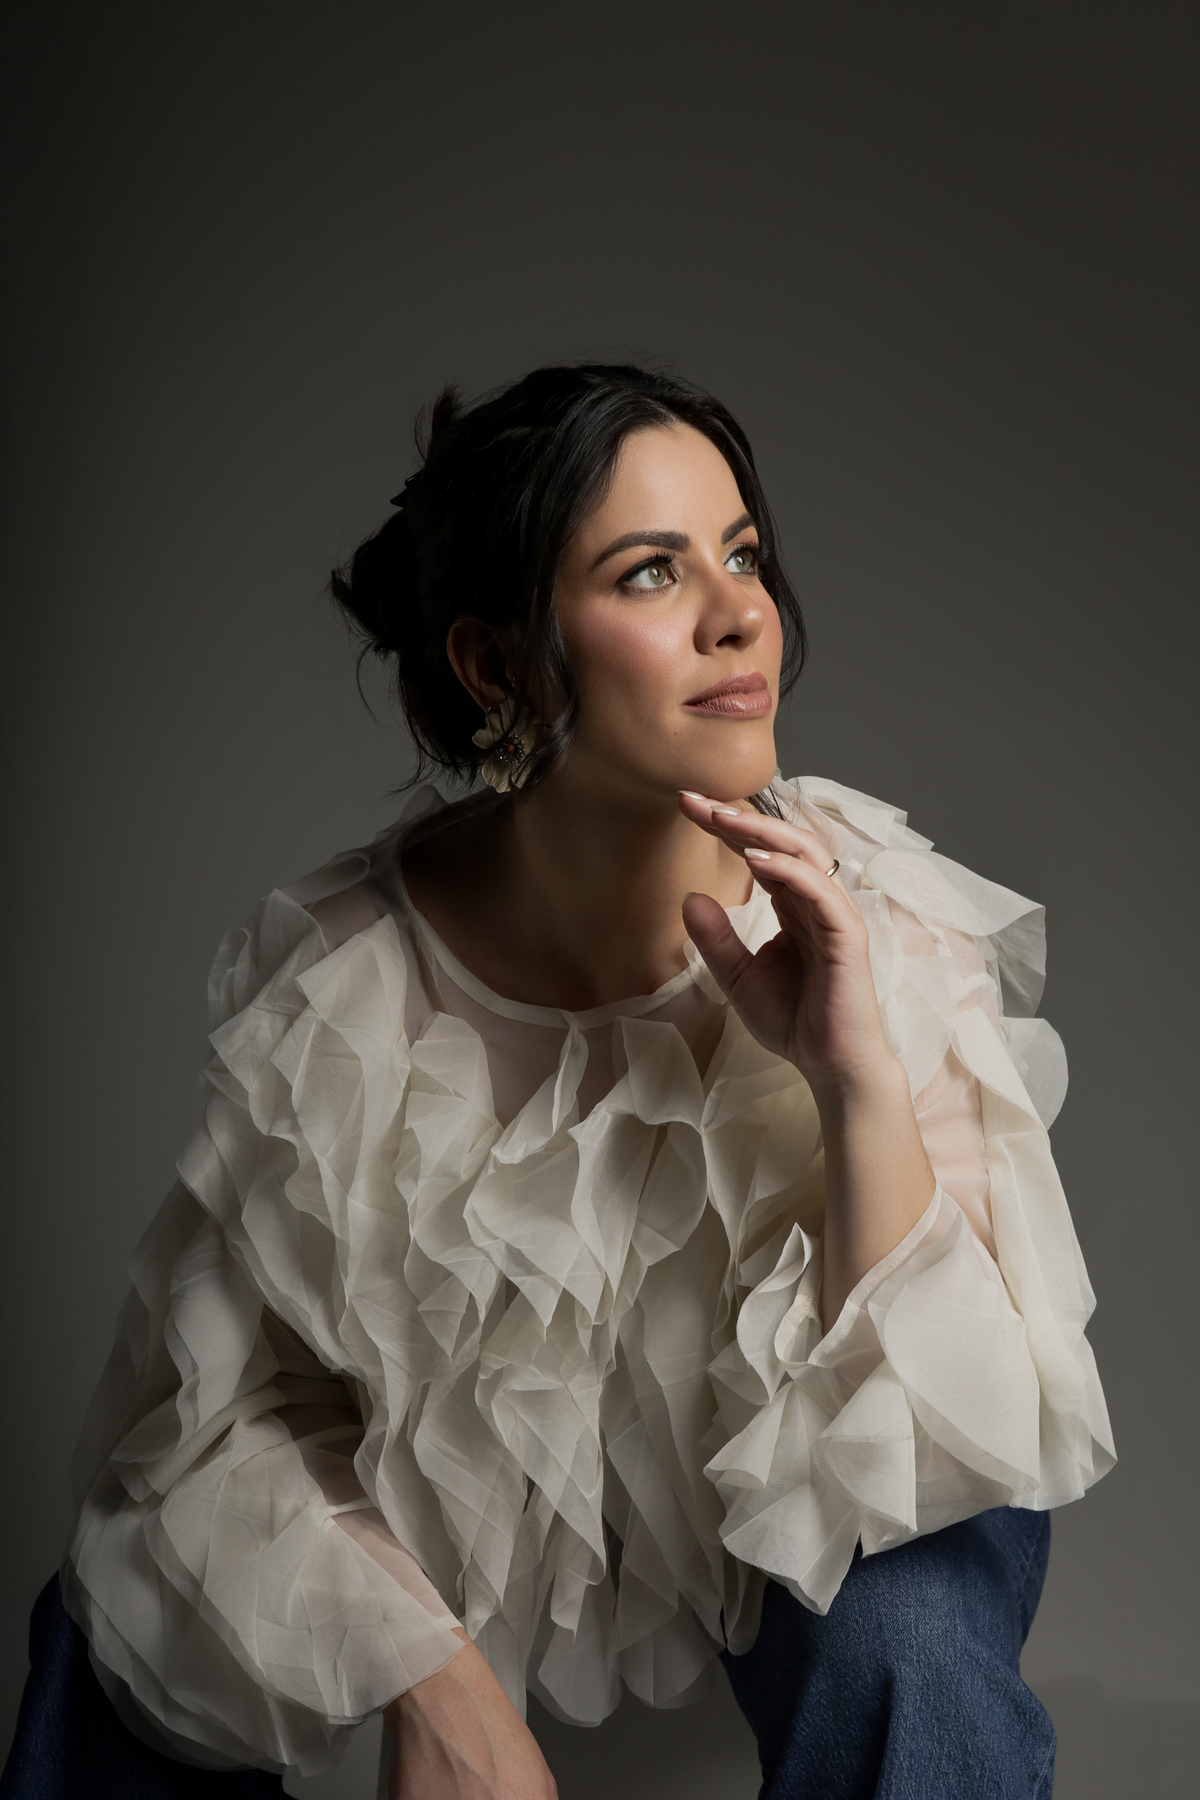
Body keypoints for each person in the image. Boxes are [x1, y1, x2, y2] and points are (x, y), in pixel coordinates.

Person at [2, 364, 1114, 1800]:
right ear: (500, 666)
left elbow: (940, 1440)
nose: (738, 614)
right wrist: (428, 1677)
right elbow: (229, 1417)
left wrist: (852, 1078)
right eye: (652, 571)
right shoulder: (355, 986)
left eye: (742, 554)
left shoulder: (880, 923)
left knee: (911, 1643)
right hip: (492, 1497)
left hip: (837, 1471)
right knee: (122, 1624)